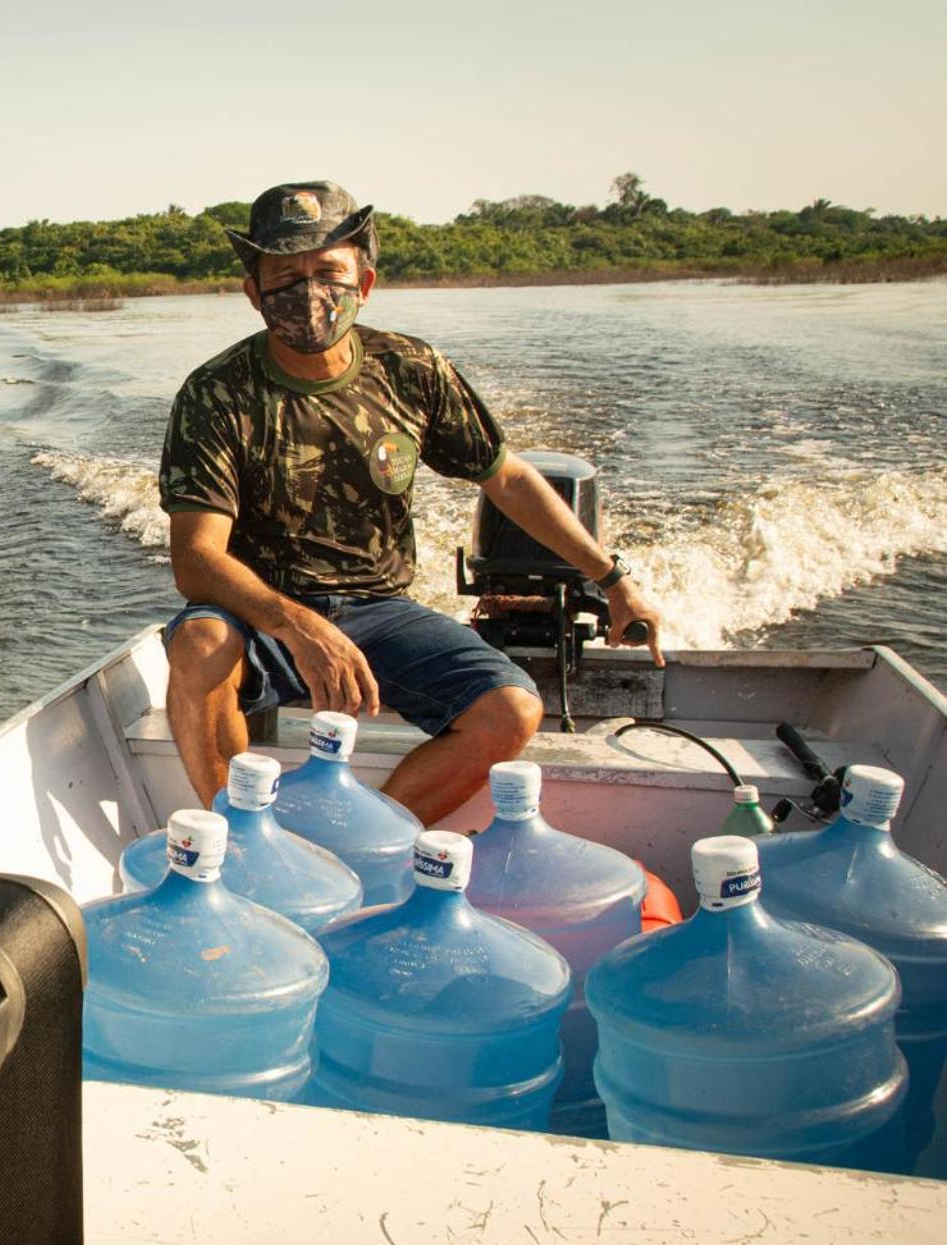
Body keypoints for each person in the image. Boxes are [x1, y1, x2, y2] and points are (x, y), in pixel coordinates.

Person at [160, 180, 663, 823]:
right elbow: (197, 561)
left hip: (380, 608)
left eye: (327, 272)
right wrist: (299, 625)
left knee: (512, 710)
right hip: (259, 612)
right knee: (199, 645)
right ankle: (239, 840)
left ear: (363, 284)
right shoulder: (216, 392)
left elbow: (505, 478)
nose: (308, 293)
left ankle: (368, 841)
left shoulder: (410, 369)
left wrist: (612, 578)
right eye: (284, 277)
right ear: (253, 293)